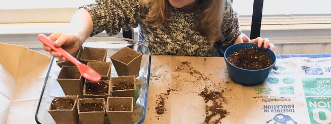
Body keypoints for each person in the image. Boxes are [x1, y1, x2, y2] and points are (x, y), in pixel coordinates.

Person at [41, 0, 273, 59]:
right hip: (155, 84)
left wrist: (250, 49)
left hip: (205, 88)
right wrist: (76, 34)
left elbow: (233, 44)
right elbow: (94, 12)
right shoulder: (145, 2)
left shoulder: (220, 8)